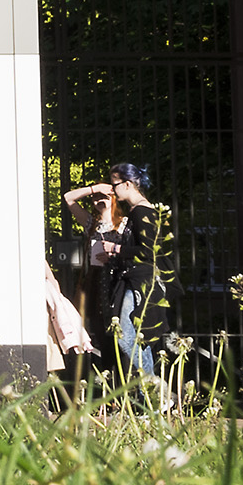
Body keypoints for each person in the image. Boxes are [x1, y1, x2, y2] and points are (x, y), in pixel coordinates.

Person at [61, 159, 165, 387]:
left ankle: (146, 389)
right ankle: (122, 393)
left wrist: (115, 251)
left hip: (122, 281)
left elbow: (147, 250)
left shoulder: (128, 220)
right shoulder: (92, 223)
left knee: (126, 337)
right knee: (104, 337)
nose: (99, 200)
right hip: (98, 283)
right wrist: (94, 189)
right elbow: (68, 198)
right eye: (95, 198)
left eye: (106, 193)